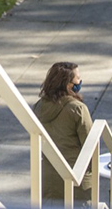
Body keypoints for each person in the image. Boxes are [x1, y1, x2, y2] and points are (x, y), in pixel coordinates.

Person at [33, 62, 93, 205]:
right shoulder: (78, 109)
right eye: (78, 78)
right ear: (68, 85)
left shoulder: (38, 107)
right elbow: (90, 146)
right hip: (76, 179)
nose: (80, 81)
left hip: (48, 179)